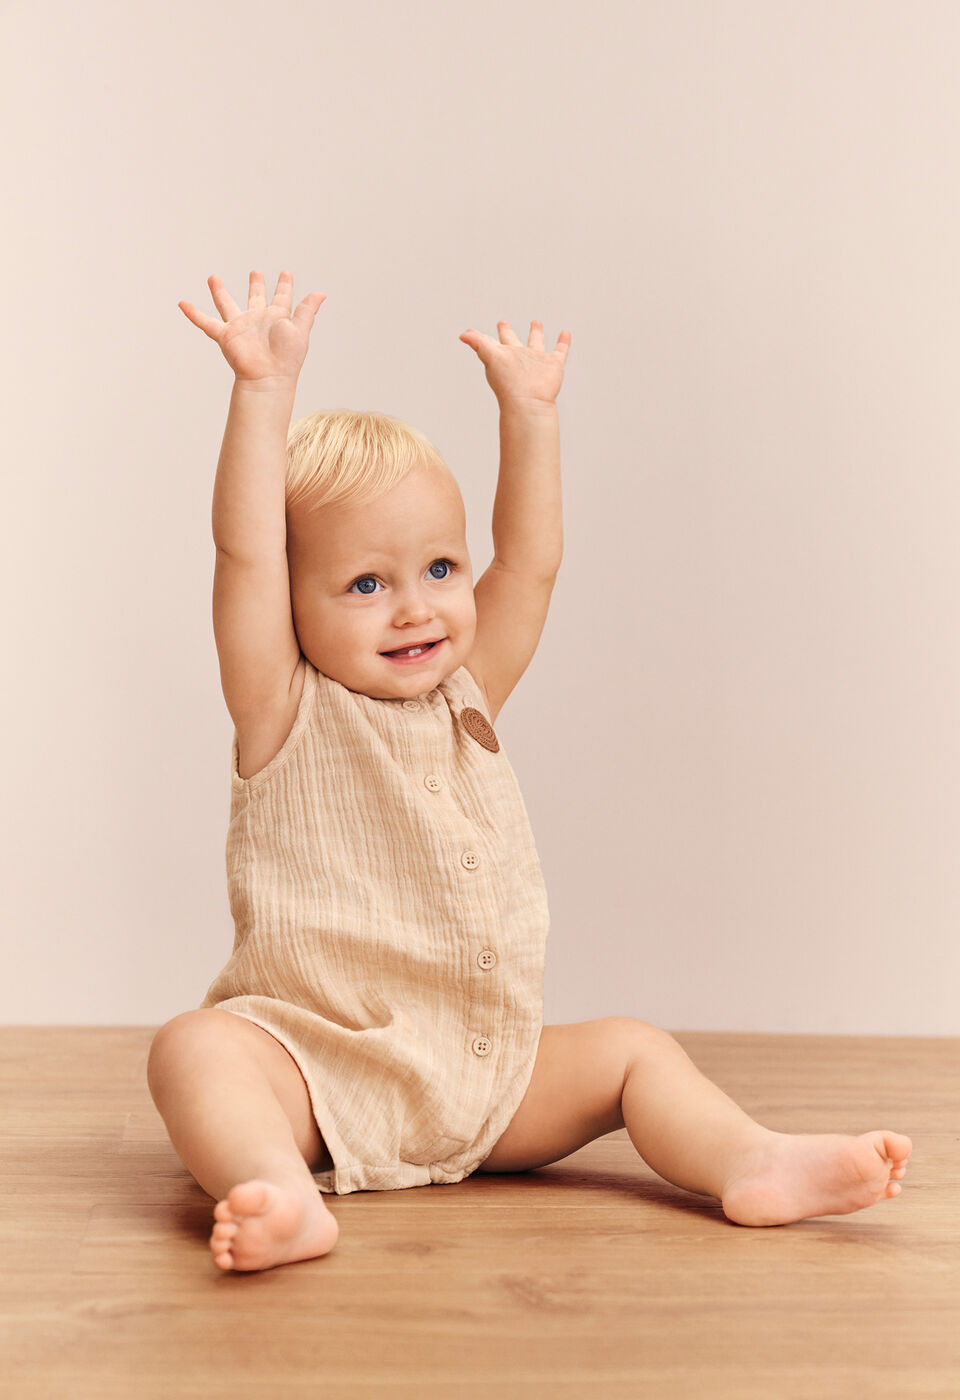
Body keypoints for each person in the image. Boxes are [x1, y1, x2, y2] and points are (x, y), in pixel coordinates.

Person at [148, 268, 912, 1274]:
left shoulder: (469, 691)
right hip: (317, 1078)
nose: (416, 608)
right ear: (292, 608)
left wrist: (532, 419)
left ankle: (751, 1159)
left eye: (438, 569)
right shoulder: (279, 707)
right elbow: (243, 553)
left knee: (635, 1050)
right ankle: (283, 1193)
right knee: (195, 1050)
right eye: (366, 584)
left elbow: (532, 561)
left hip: (483, 1078)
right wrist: (261, 393)